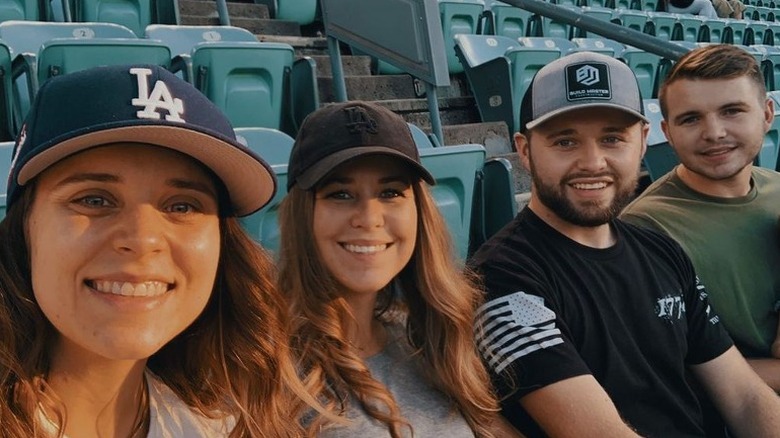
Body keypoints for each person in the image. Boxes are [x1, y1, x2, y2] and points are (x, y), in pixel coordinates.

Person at [469, 51, 780, 437]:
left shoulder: (661, 251)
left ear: (644, 141)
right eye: (565, 142)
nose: (593, 161)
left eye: (613, 138)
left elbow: (745, 397)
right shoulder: (501, 279)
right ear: (525, 150)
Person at [0, 64, 315, 437]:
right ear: (24, 227)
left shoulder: (220, 427)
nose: (143, 238)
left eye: (182, 206)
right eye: (94, 199)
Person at [278, 101, 514, 437]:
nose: (370, 218)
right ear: (304, 216)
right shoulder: (269, 367)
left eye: (390, 192)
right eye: (340, 194)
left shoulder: (425, 335)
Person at [621, 44, 780, 391]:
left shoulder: (776, 190)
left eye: (732, 111)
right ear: (667, 130)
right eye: (691, 118)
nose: (714, 133)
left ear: (767, 114)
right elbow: (669, 369)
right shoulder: (647, 229)